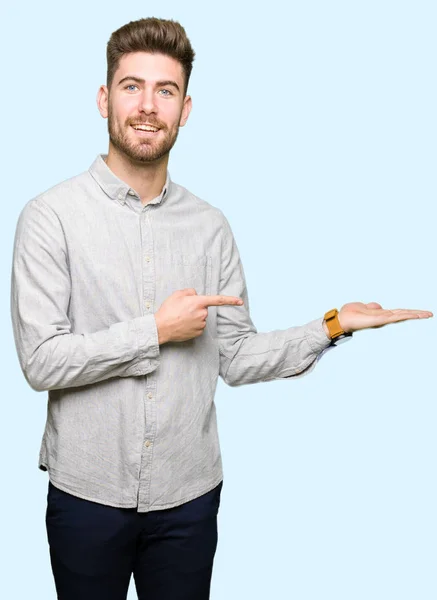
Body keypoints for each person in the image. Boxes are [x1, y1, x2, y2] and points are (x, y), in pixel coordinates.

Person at [10, 16, 432, 600]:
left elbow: (235, 356)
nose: (147, 106)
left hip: (189, 499)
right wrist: (154, 332)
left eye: (166, 91)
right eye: (132, 86)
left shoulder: (210, 228)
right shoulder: (49, 217)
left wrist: (332, 325)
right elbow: (41, 360)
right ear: (105, 98)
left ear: (185, 109)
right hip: (87, 497)